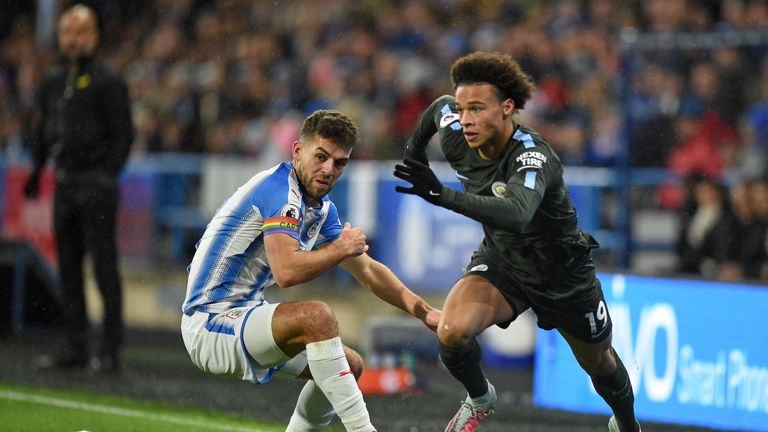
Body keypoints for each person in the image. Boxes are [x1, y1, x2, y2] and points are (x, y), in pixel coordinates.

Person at [393, 51, 641, 432]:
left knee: (600, 361)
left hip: (562, 275)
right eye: (463, 109)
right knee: (451, 331)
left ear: (507, 108)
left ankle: (626, 424)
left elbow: (517, 212)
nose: (466, 118)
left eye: (477, 108)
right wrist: (415, 155)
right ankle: (479, 397)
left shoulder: (532, 154)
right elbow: (438, 108)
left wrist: (441, 194)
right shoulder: (456, 126)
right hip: (504, 263)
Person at [181, 109, 440, 432]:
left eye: (340, 163)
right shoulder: (279, 192)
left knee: (350, 364)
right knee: (316, 317)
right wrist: (340, 247)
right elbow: (287, 271)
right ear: (298, 151)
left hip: (243, 313)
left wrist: (424, 311)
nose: (329, 169)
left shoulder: (320, 207)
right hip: (209, 323)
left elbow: (368, 271)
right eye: (321, 156)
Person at [24, 4, 134, 373]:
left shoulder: (109, 80)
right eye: (67, 31)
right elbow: (44, 130)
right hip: (64, 183)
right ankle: (75, 346)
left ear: (94, 36)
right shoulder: (53, 81)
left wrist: (107, 175)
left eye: (80, 31)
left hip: (95, 185)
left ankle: (111, 349)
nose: (73, 39)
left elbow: (124, 135)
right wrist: (36, 171)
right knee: (68, 268)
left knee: (104, 267)